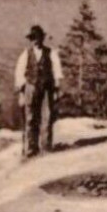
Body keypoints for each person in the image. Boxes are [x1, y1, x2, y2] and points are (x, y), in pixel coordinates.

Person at [14, 24, 64, 157]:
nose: (35, 40)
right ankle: (31, 149)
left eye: (38, 37)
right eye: (33, 38)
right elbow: (19, 73)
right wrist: (21, 93)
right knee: (30, 117)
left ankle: (46, 147)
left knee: (47, 117)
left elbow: (57, 72)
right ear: (30, 39)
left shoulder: (51, 53)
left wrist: (56, 90)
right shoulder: (26, 53)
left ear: (42, 38)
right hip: (30, 86)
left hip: (47, 87)